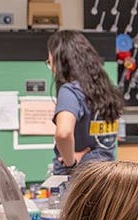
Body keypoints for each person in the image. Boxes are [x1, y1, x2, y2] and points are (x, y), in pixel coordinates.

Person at [48, 30, 125, 175]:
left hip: (80, 180)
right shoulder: (106, 91)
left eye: (50, 62)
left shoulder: (69, 91)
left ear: (61, 62)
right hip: (105, 175)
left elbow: (63, 133)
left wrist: (70, 164)